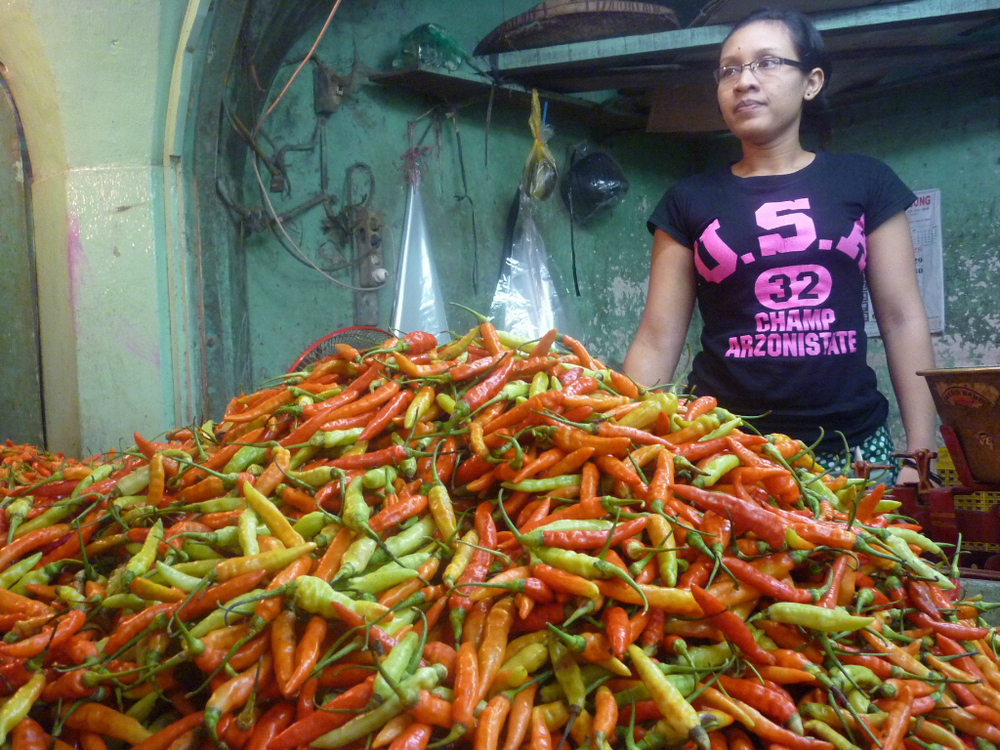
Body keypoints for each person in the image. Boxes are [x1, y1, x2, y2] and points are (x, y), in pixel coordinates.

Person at [622, 7, 937, 483]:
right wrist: (620, 445)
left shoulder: (866, 181)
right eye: (730, 69)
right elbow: (656, 339)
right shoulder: (688, 200)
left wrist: (921, 454)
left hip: (851, 450)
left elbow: (902, 318)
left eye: (767, 62)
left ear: (811, 82)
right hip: (720, 450)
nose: (744, 81)